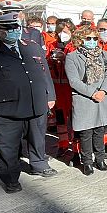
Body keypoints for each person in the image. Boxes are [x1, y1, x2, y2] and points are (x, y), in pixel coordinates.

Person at [0, 12, 57, 193]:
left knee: (38, 139)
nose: (14, 32)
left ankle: (38, 164)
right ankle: (10, 178)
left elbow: (44, 73)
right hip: (6, 109)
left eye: (16, 28)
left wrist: (50, 96)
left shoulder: (31, 47)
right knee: (8, 147)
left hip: (36, 104)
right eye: (9, 29)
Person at [65, 27, 107, 176]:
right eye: (88, 39)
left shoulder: (104, 54)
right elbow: (74, 81)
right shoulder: (72, 57)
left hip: (102, 97)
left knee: (100, 130)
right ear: (80, 39)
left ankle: (100, 159)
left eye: (95, 38)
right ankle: (87, 161)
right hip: (85, 98)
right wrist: (93, 93)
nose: (92, 41)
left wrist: (103, 91)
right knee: (86, 133)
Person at [47, 20, 77, 153]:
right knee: (60, 118)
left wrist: (65, 58)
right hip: (56, 88)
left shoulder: (75, 46)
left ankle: (77, 146)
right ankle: (63, 143)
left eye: (65, 32)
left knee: (75, 118)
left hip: (71, 89)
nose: (62, 35)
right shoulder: (51, 45)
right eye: (60, 32)